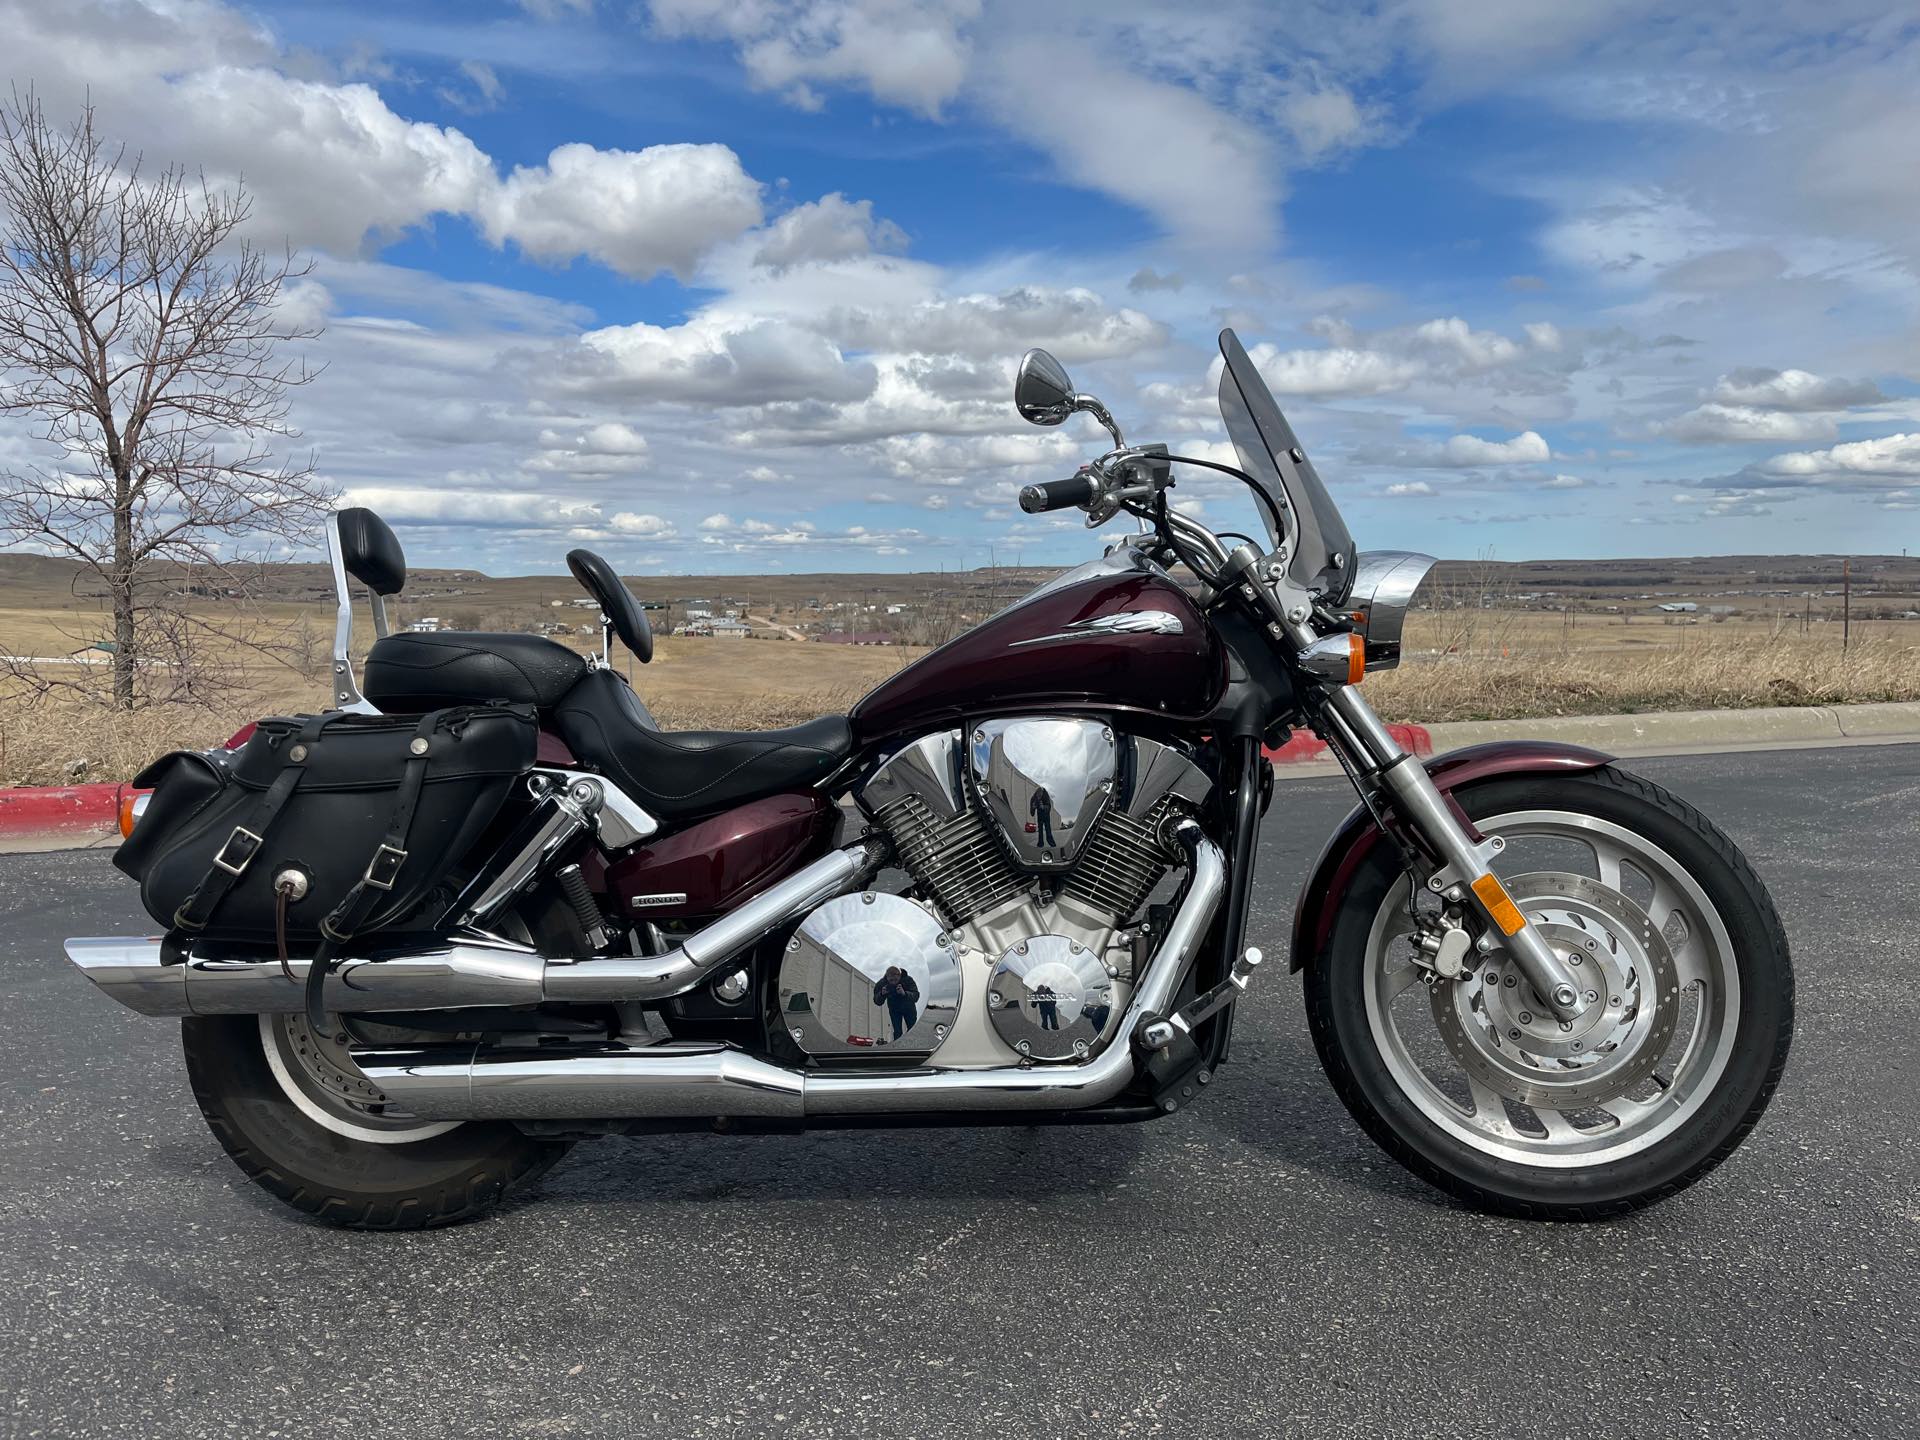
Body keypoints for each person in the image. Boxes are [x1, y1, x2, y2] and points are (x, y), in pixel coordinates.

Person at [872, 965, 920, 1042]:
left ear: (900, 976)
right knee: (897, 1031)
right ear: (887, 978)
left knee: (912, 1028)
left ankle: (913, 1045)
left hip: (909, 1007)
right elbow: (877, 1001)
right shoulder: (882, 983)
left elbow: (916, 996)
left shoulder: (907, 980)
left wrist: (905, 993)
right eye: (891, 980)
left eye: (895, 980)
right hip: (894, 1009)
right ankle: (898, 1047)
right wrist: (881, 994)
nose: (893, 982)